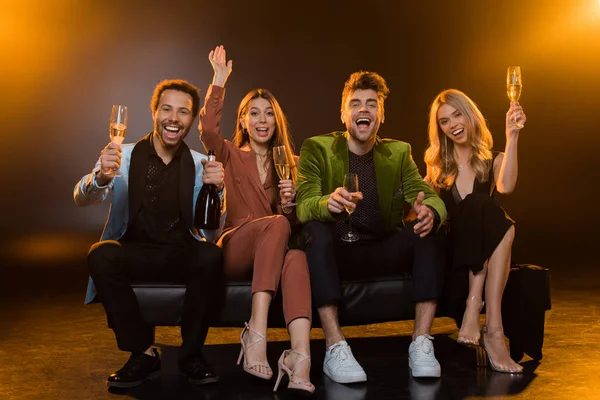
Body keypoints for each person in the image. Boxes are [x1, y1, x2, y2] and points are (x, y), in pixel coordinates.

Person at [74, 79, 226, 388]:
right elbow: (81, 197)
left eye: (183, 112)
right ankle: (143, 353)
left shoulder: (200, 163)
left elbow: (213, 226)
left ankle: (191, 355)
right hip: (135, 250)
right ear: (154, 111)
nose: (174, 118)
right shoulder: (123, 155)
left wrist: (220, 192)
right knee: (100, 254)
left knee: (211, 254)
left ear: (191, 119)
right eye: (167, 109)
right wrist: (101, 177)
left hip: (180, 251)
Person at [296, 71, 447, 382]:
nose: (363, 110)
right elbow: (303, 205)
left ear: (381, 114)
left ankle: (420, 342)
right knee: (315, 228)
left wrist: (429, 210)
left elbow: (429, 194)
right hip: (336, 251)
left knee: (425, 227)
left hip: (381, 247)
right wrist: (328, 203)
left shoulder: (398, 152)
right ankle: (335, 346)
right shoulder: (317, 148)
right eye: (355, 104)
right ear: (344, 114)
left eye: (371, 104)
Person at [199, 46, 314, 395]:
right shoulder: (230, 153)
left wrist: (292, 205)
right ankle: (256, 332)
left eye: (268, 114)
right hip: (236, 247)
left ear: (276, 121)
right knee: (276, 223)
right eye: (254, 113)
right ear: (244, 121)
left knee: (295, 256)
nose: (262, 120)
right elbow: (206, 129)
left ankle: (300, 356)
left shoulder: (292, 163)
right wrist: (219, 80)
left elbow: (293, 227)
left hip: (273, 253)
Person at [424, 89, 526, 374]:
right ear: (440, 129)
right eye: (444, 121)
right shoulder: (436, 168)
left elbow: (506, 187)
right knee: (489, 212)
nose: (453, 124)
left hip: (486, 256)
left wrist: (513, 135)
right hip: (454, 263)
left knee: (493, 213)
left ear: (470, 116)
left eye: (457, 115)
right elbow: (422, 211)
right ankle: (482, 318)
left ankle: (488, 322)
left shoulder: (493, 160)